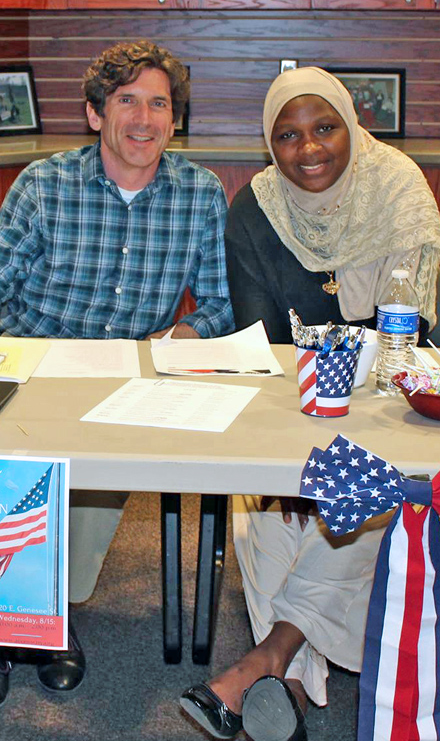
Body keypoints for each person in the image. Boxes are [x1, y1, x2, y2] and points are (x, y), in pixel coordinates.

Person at [180, 67, 440, 741]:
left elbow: (414, 333)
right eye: (288, 136)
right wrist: (294, 464)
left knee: (363, 493)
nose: (309, 149)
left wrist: (330, 457)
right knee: (270, 507)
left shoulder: (400, 193)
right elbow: (268, 349)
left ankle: (267, 663)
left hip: (392, 402)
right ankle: (287, 686)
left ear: (352, 124)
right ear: (271, 144)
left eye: (324, 128)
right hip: (296, 405)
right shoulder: (256, 209)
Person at [0, 39, 234, 700]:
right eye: (126, 100)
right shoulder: (44, 186)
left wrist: (180, 335)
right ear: (94, 113)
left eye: (159, 103)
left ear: (174, 118)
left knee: (93, 482)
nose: (144, 117)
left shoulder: (200, 194)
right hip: (35, 364)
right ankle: (15, 622)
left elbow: (220, 303)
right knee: (13, 470)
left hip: (129, 378)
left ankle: (48, 617)